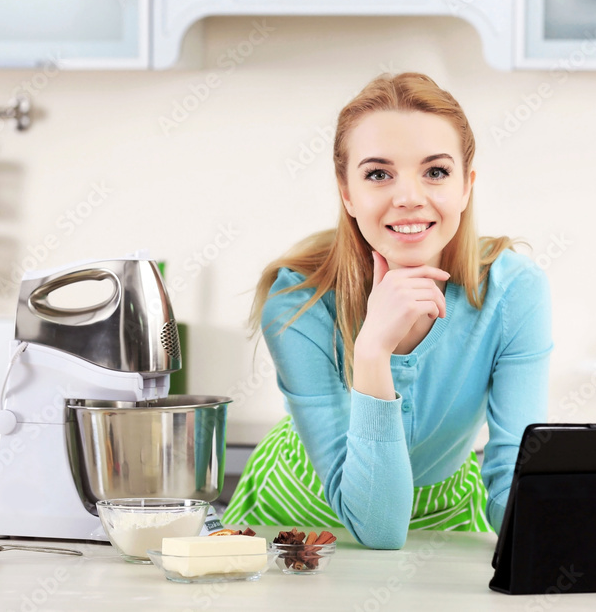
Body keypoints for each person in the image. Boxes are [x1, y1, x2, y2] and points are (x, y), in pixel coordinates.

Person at [222, 72, 552, 549]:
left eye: (435, 172)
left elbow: (513, 479)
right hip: (298, 516)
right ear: (347, 192)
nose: (409, 198)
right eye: (379, 174)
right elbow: (377, 528)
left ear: (466, 186)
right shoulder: (298, 300)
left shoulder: (513, 291)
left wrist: (568, 533)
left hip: (447, 513)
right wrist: (373, 350)